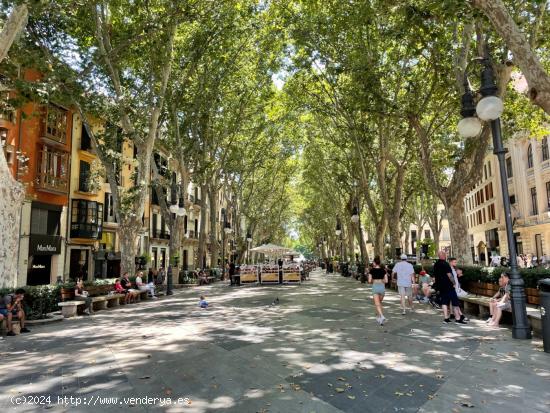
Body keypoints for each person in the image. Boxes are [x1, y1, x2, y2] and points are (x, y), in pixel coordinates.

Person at [433, 251, 467, 324]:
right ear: (443, 255)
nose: (446, 255)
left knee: (444, 303)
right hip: (449, 286)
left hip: (441, 287)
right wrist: (454, 283)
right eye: (445, 254)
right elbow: (449, 275)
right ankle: (458, 319)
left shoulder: (436, 264)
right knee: (455, 302)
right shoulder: (445, 264)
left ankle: (446, 319)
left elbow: (435, 276)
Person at [368, 256, 388, 325]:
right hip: (382, 287)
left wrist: (374, 280)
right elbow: (386, 281)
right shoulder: (383, 270)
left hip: (375, 287)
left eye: (373, 262)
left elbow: (369, 281)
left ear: (374, 263)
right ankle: (379, 319)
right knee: (379, 303)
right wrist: (381, 279)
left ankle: (382, 316)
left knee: (377, 304)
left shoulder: (371, 270)